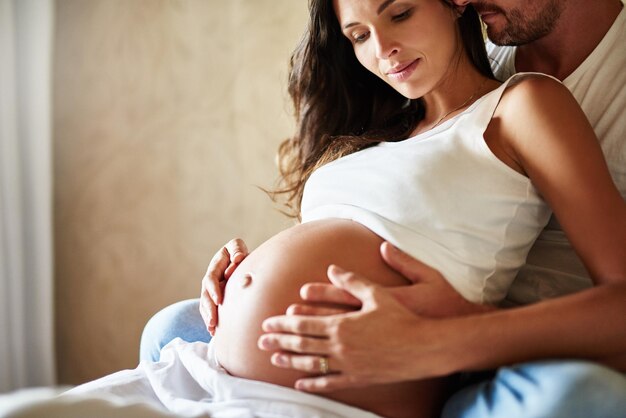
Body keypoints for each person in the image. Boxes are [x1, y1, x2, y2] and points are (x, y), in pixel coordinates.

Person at [137, 0, 626, 416]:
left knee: (581, 397)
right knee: (171, 326)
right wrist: (248, 274)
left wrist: (456, 334)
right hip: (277, 359)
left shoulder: (524, 102)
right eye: (357, 35)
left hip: (466, 356)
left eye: (401, 13)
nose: (381, 48)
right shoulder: (399, 106)